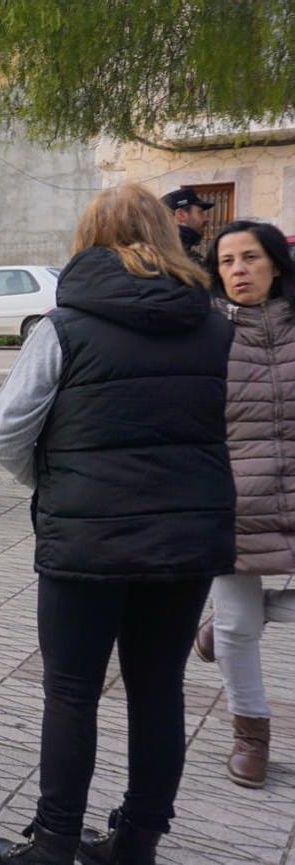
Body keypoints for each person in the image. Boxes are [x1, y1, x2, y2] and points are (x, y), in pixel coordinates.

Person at [0, 184, 235, 865]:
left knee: (71, 691)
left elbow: (3, 434)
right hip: (184, 542)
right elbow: (234, 431)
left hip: (85, 538)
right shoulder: (216, 326)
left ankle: (55, 842)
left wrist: (57, 483)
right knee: (159, 689)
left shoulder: (63, 326)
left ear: (89, 238)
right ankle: (137, 842)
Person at [191, 220, 295, 789]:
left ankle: (232, 620)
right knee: (237, 625)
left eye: (250, 258)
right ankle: (251, 735)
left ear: (275, 264)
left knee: (242, 619)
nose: (238, 270)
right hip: (235, 497)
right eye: (227, 261)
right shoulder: (206, 333)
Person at [160, 186, 214, 266]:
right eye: (200, 212)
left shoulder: (161, 252)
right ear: (181, 215)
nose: (206, 219)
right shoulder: (181, 260)